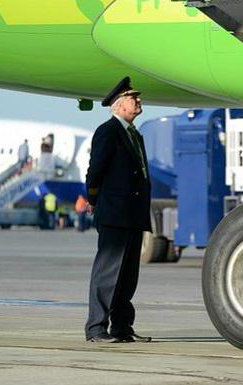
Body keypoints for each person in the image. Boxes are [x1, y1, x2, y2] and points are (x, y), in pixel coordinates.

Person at [85, 76, 152, 343]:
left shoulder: (134, 134)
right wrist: (93, 198)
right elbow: (95, 170)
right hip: (114, 212)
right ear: (119, 104)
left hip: (132, 214)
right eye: (134, 98)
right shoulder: (108, 131)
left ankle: (122, 327)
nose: (139, 102)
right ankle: (96, 328)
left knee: (127, 277)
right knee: (107, 273)